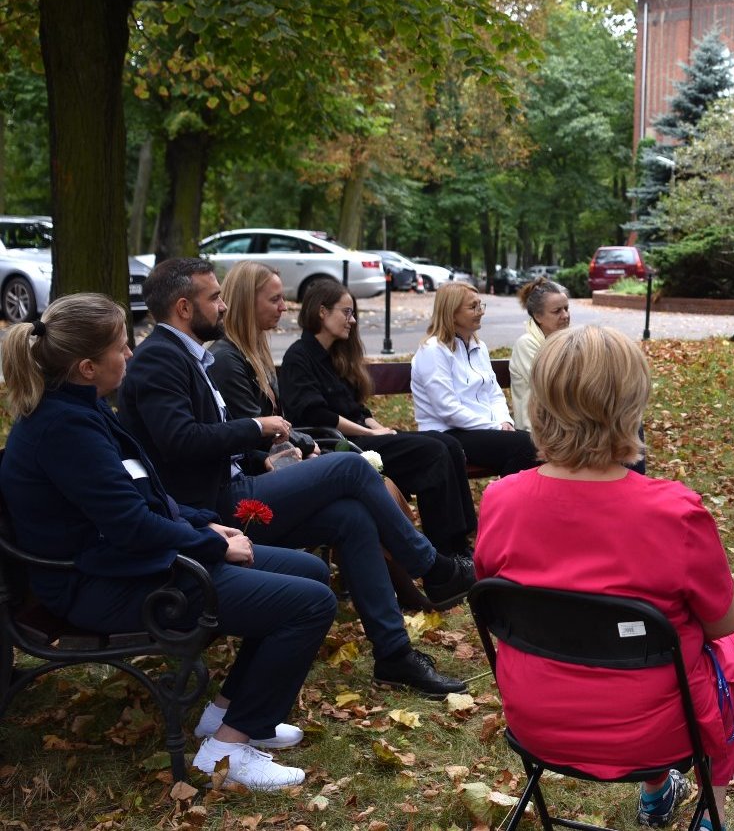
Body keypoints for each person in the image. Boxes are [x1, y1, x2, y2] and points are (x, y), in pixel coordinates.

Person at [0, 294, 336, 791]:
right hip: (100, 586)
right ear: (87, 366)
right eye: (121, 347)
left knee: (308, 572)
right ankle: (225, 752)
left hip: (134, 565)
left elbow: (147, 496)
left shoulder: (83, 408)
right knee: (310, 603)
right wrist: (213, 546)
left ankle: (227, 714)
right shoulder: (64, 428)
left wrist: (208, 525)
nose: (130, 354)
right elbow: (131, 526)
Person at [119, 257, 472, 697]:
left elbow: (199, 437)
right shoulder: (161, 358)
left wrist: (256, 451)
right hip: (211, 509)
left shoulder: (186, 355)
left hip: (232, 485)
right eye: (214, 297)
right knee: (350, 467)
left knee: (350, 517)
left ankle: (395, 654)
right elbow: (178, 440)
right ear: (185, 308)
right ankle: (433, 567)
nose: (223, 306)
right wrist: (257, 429)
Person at [475, 326, 734, 830]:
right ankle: (714, 809)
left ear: (541, 404)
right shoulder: (674, 512)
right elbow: (720, 625)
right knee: (731, 648)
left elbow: (497, 601)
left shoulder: (500, 500)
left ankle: (659, 791)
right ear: (630, 407)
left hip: (538, 719)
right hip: (655, 733)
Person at [280, 279, 478, 556]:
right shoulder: (299, 357)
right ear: (322, 312)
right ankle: (446, 550)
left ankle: (463, 541)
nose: (353, 320)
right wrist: (370, 434)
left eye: (353, 313)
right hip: (339, 448)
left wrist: (377, 426)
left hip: (363, 438)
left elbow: (357, 409)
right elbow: (316, 413)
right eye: (346, 312)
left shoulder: (335, 355)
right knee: (432, 453)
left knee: (448, 445)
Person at [411, 281, 540, 475]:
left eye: (481, 305)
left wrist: (505, 421)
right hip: (447, 433)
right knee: (526, 447)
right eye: (473, 307)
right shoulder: (433, 350)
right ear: (451, 313)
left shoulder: (479, 347)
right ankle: (504, 502)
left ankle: (510, 501)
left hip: (482, 429)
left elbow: (494, 393)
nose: (481, 311)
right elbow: (448, 409)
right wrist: (494, 426)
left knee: (540, 446)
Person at [206, 261, 323, 462]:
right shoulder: (226, 359)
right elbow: (256, 430)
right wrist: (307, 445)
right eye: (275, 299)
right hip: (257, 469)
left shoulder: (256, 352)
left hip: (282, 457)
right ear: (247, 303)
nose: (283, 307)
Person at [509, 277, 571, 433]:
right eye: (557, 311)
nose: (565, 315)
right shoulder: (526, 344)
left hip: (568, 426)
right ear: (538, 316)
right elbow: (553, 386)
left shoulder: (568, 340)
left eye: (566, 308)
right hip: (539, 432)